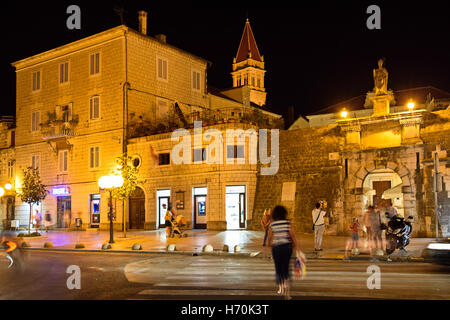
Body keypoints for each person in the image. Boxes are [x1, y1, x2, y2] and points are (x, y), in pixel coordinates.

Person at [268, 206, 299, 300]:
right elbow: (293, 236)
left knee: (278, 268)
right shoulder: (288, 223)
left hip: (276, 248)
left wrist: (270, 246)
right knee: (286, 268)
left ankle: (280, 288)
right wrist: (296, 246)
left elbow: (269, 239)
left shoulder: (272, 224)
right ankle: (287, 294)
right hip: (286, 247)